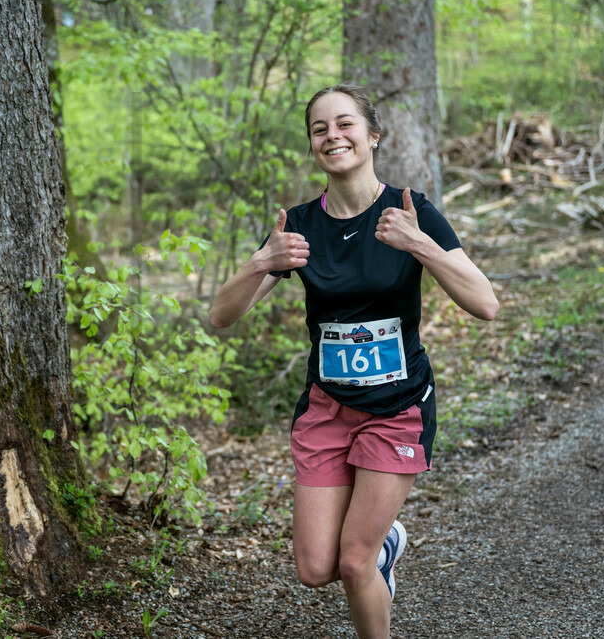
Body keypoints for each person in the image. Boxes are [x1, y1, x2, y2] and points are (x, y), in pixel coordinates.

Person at [209, 84, 498, 638]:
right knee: (315, 568)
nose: (333, 136)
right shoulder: (297, 225)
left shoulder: (411, 211)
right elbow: (222, 315)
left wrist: (420, 245)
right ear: (312, 144)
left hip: (398, 407)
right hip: (328, 407)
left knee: (353, 563)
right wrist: (261, 262)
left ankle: (372, 557)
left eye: (345, 124)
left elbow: (485, 304)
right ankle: (388, 544)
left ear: (373, 136)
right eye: (319, 129)